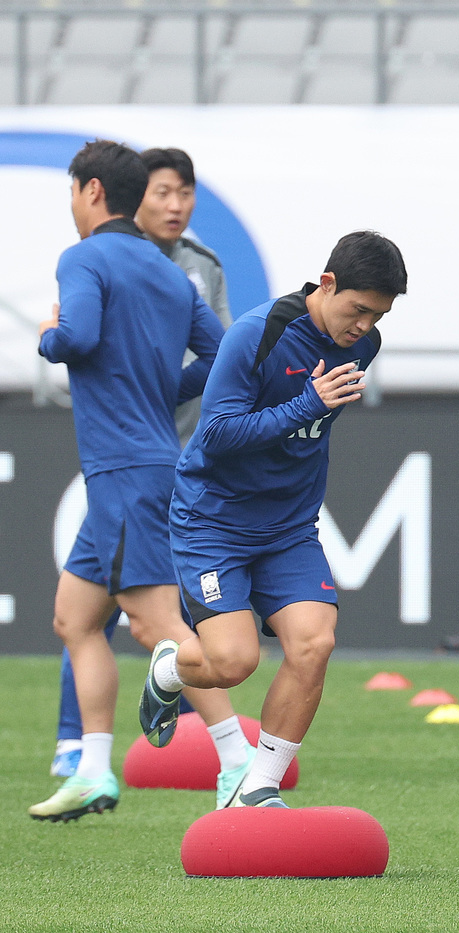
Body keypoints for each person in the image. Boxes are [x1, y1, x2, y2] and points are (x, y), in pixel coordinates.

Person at [137, 231, 407, 809]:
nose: (364, 326)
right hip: (213, 520)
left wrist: (306, 412)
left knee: (315, 643)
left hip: (288, 528)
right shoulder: (256, 335)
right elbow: (215, 436)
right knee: (234, 663)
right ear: (326, 284)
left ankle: (256, 787)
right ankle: (171, 667)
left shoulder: (365, 344)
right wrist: (306, 404)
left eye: (378, 315)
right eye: (358, 309)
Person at [28, 140, 237, 822]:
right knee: (75, 617)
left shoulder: (83, 257)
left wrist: (49, 336)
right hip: (143, 466)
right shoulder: (169, 272)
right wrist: (163, 388)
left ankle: (237, 759)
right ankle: (92, 767)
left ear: (91, 192)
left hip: (123, 473)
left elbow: (79, 334)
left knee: (158, 629)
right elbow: (221, 356)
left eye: (71, 194)